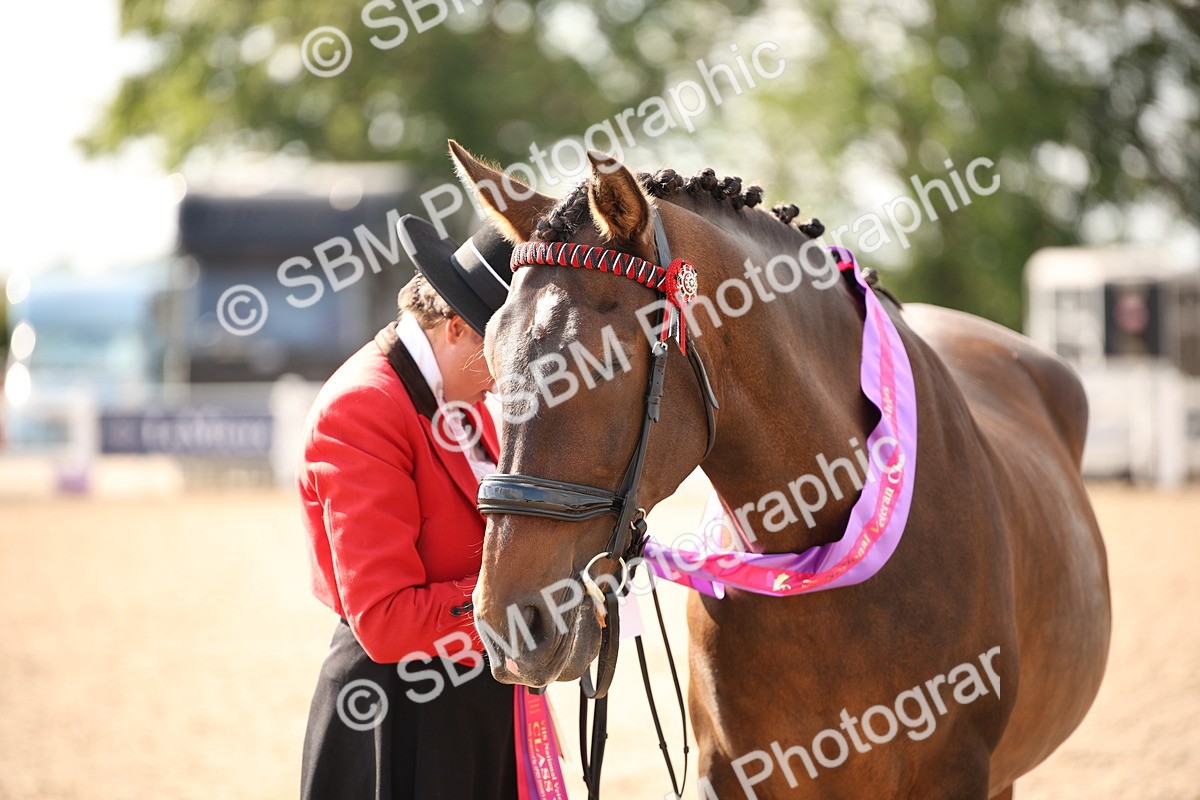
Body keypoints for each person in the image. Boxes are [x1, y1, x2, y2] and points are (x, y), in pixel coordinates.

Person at [298, 216, 519, 800]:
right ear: (456, 329)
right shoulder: (364, 406)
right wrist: (527, 605)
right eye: (499, 355)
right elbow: (388, 621)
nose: (501, 382)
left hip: (470, 704)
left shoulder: (457, 399)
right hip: (397, 715)